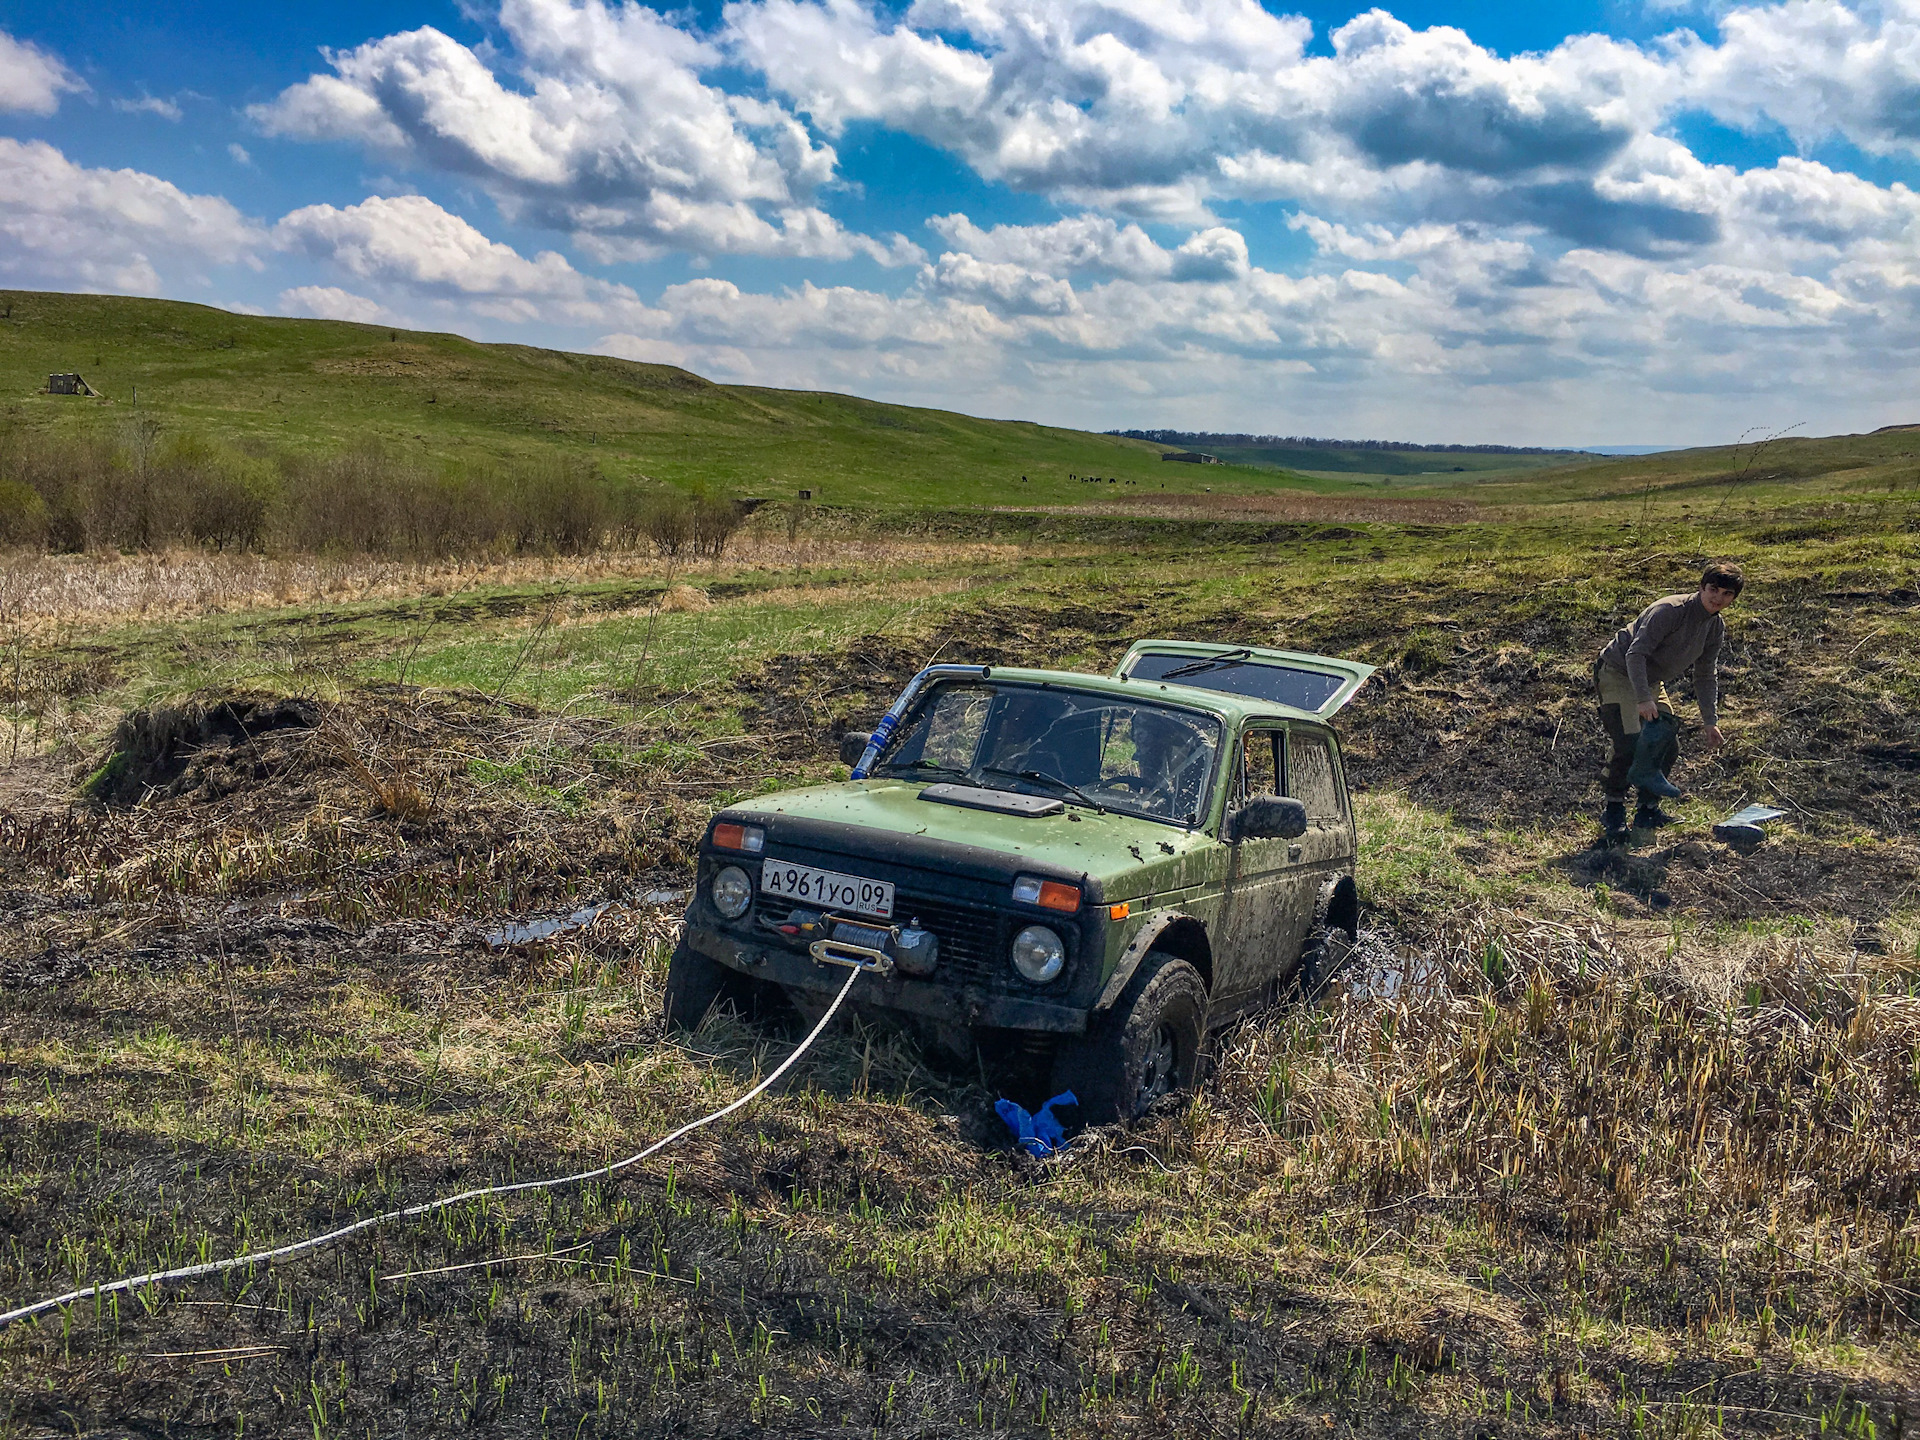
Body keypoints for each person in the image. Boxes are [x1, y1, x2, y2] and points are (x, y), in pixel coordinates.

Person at [1594, 561, 1744, 840]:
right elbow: (1634, 655)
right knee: (1629, 741)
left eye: (1726, 594)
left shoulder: (1714, 627)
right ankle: (1613, 808)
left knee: (1666, 742)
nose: (1718, 598)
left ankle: (1647, 810)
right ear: (1701, 587)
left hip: (1649, 681)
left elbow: (1705, 674)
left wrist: (1710, 722)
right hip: (1617, 672)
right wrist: (1643, 699)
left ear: (1733, 598)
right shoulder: (1669, 611)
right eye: (1713, 589)